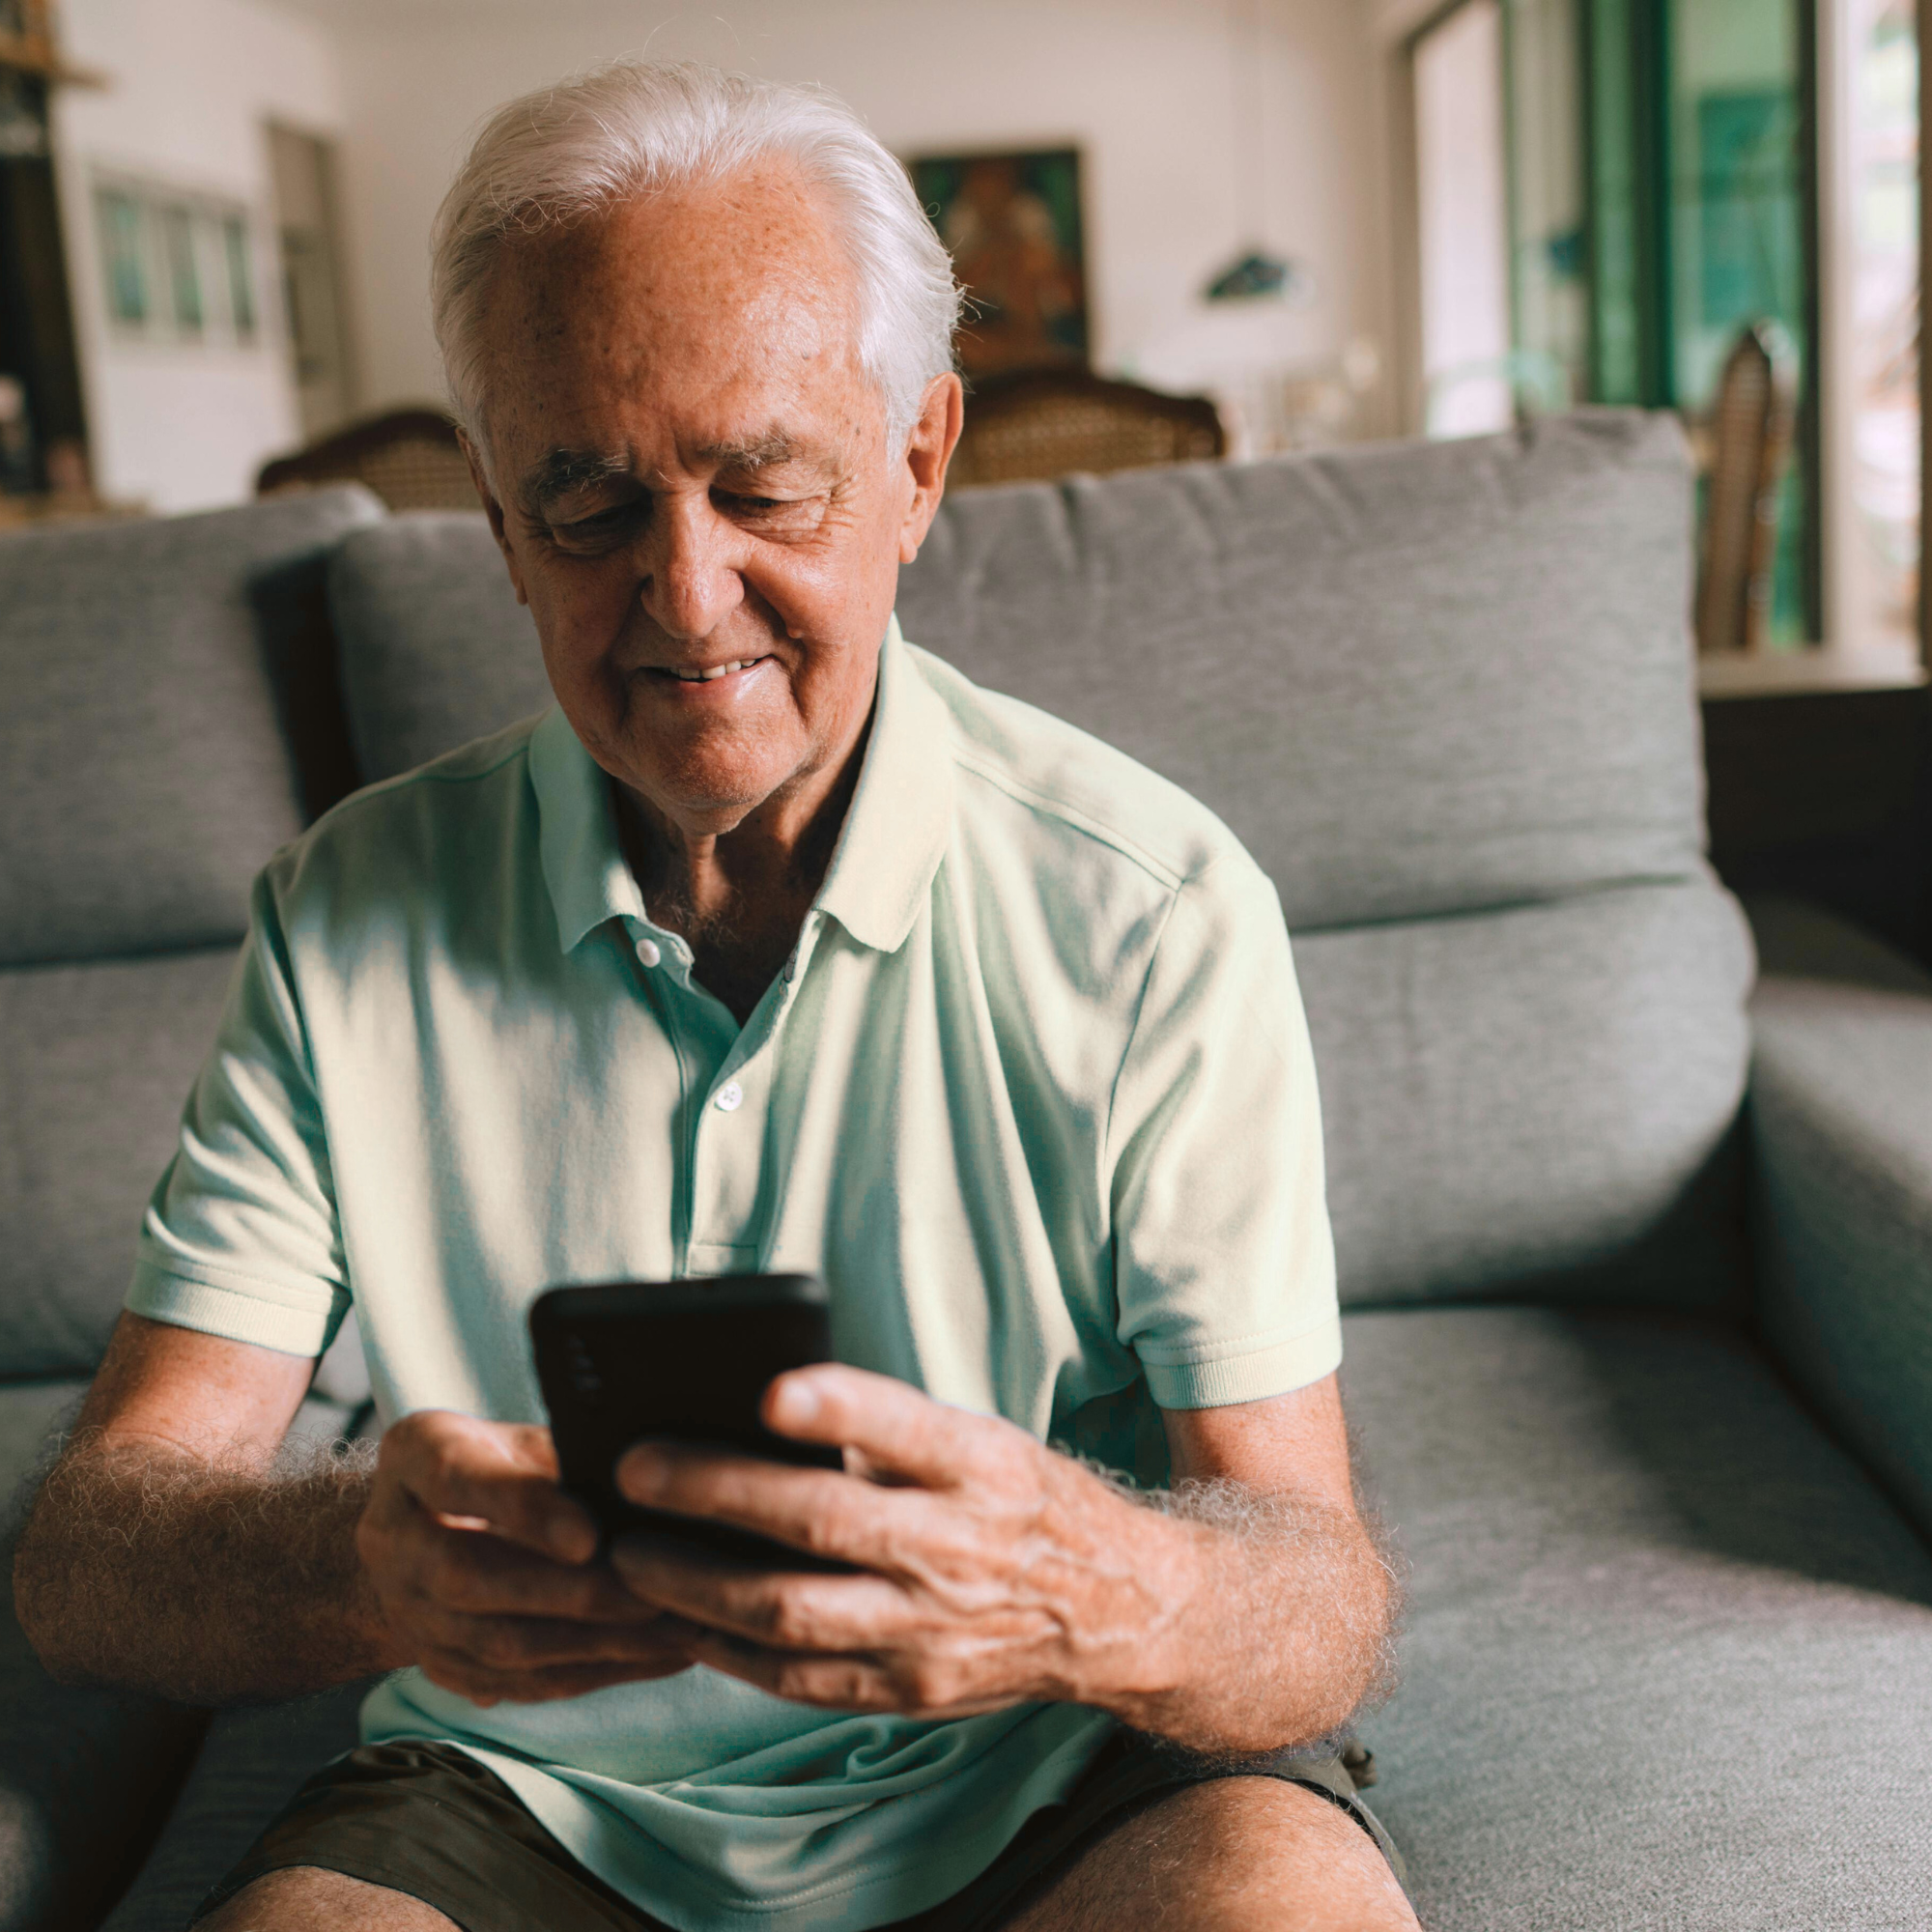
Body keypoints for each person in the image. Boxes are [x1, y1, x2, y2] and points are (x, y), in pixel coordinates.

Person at [14, 61, 1417, 1932]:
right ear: (501, 522)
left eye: (765, 485)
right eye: (585, 507)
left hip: (1050, 1753)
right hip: (517, 1788)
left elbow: (1311, 1605)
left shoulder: (1150, 905)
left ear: (919, 461)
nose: (687, 600)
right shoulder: (350, 908)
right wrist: (363, 1560)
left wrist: (1099, 1582)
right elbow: (97, 1556)